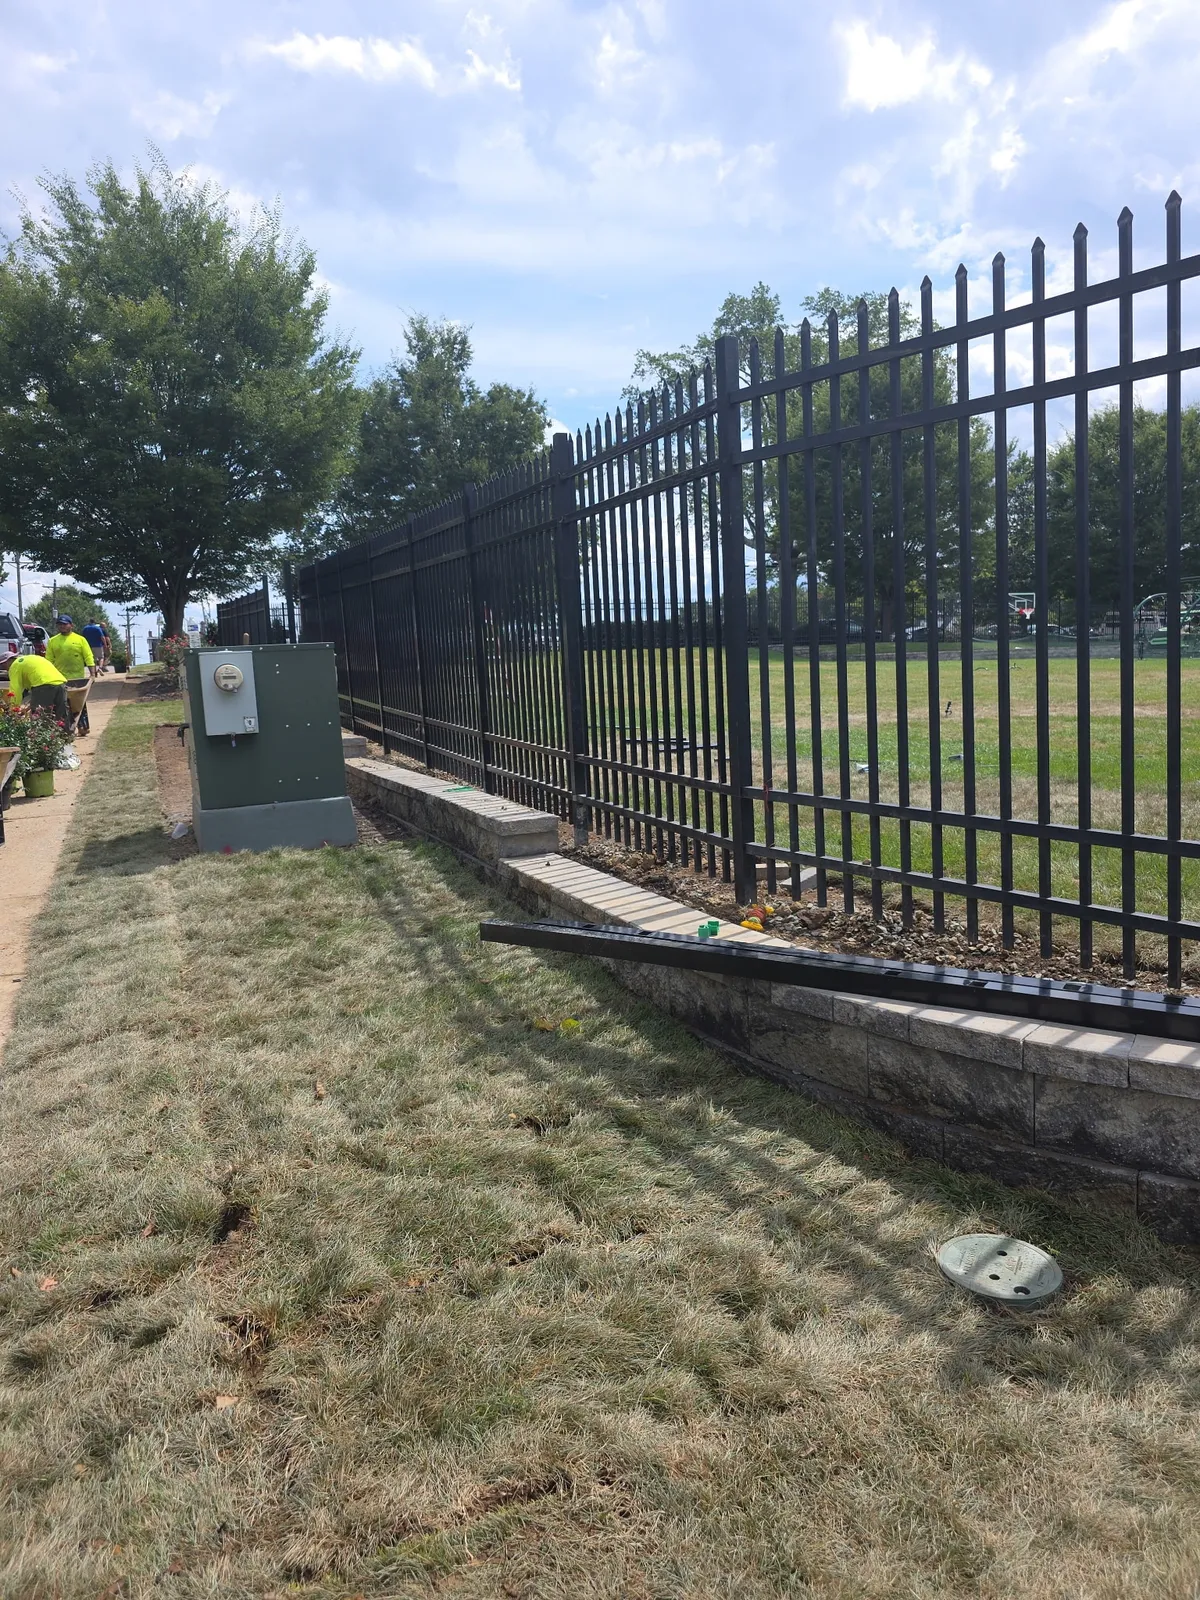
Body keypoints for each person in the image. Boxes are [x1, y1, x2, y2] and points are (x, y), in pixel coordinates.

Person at [45, 615, 96, 734]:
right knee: (62, 704)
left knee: (79, 703)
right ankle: (66, 728)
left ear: (71, 625)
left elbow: (88, 657)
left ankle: (83, 727)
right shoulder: (53, 641)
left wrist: (92, 674)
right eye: (60, 624)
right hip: (60, 678)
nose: (62, 626)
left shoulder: (80, 639)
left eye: (64, 624)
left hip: (78, 678)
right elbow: (49, 660)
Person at [5, 644, 69, 725]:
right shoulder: (30, 659)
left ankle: (43, 732)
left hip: (43, 685)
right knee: (62, 716)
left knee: (41, 719)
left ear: (6, 662)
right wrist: (28, 707)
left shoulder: (15, 666)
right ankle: (66, 732)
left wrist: (13, 711)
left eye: (3, 666)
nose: (6, 670)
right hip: (60, 683)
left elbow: (15, 690)